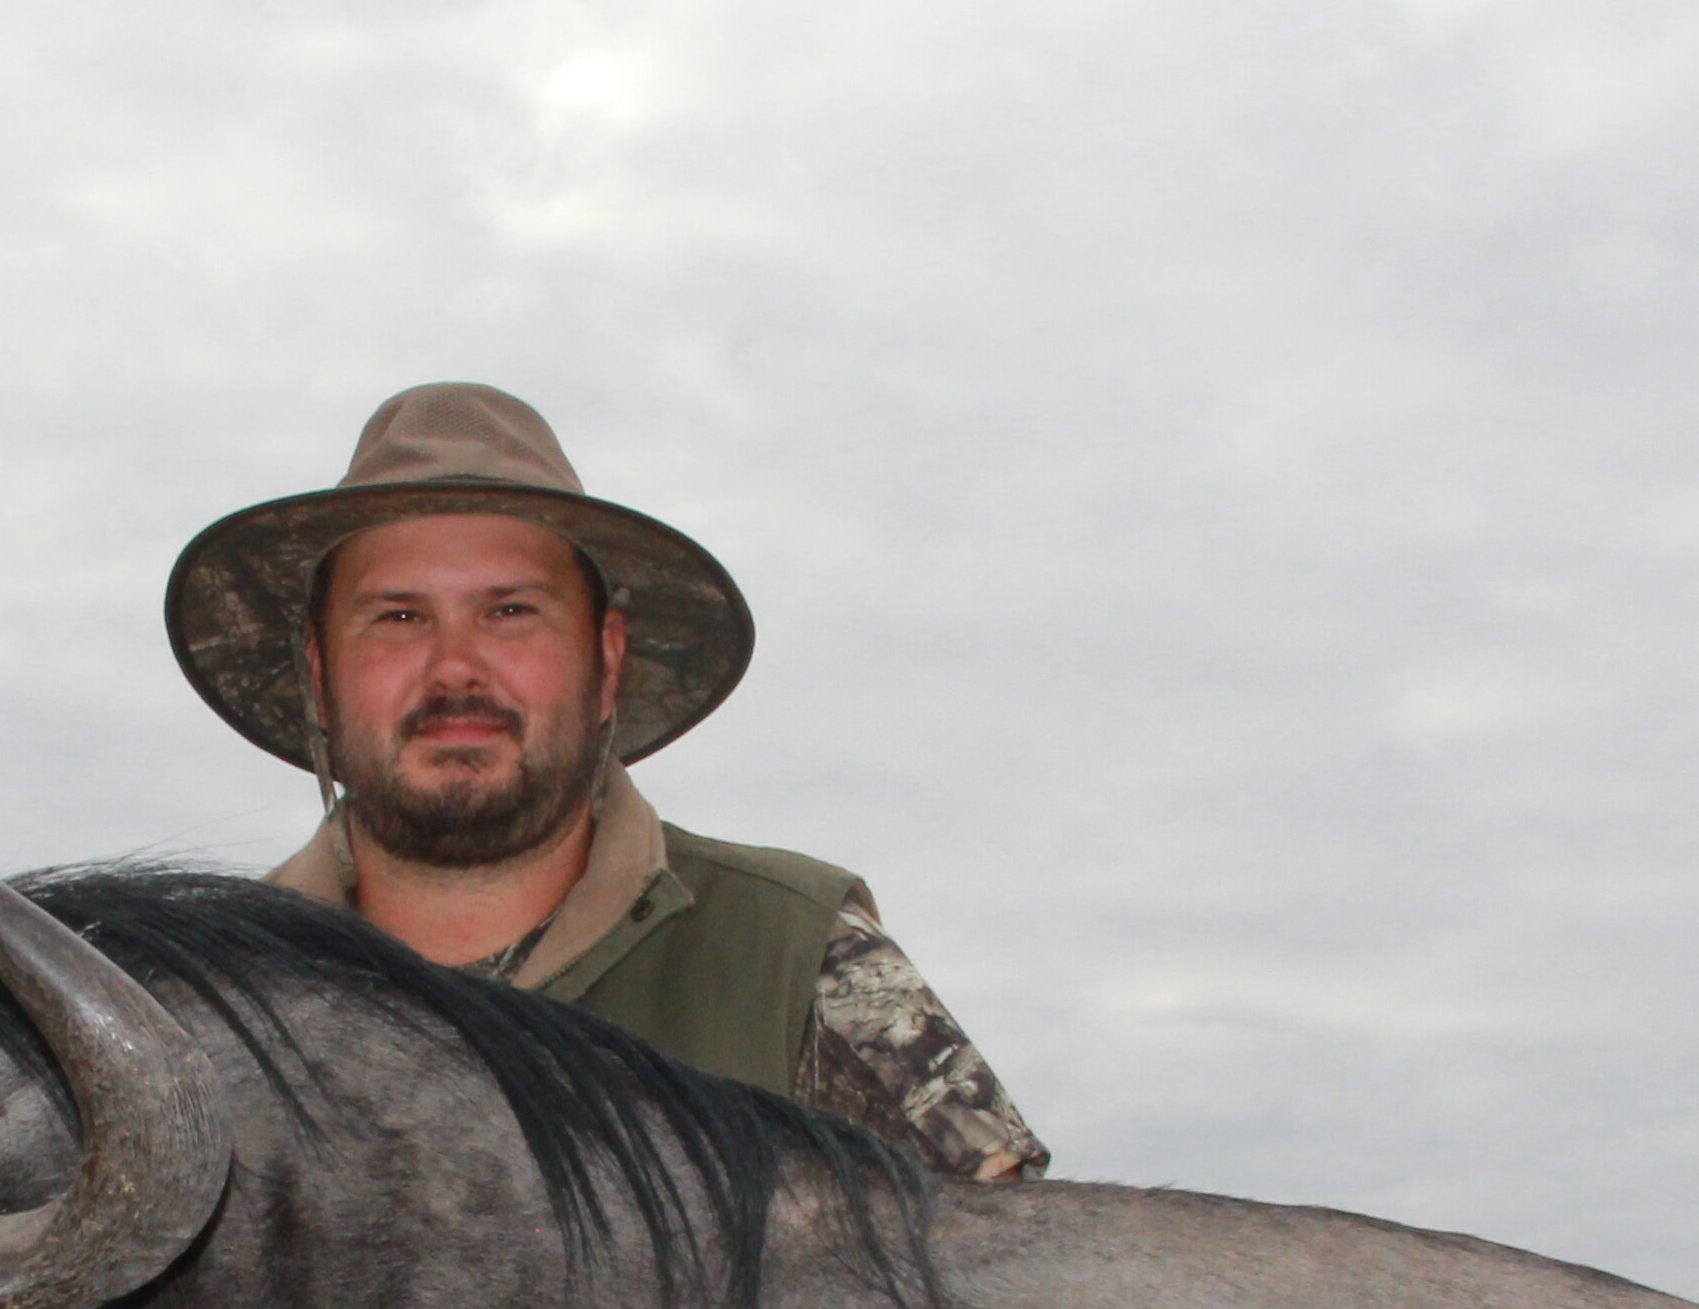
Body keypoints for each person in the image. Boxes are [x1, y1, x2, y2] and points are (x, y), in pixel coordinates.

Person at [164, 383, 1046, 1182]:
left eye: (511, 612)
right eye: (398, 617)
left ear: (607, 657)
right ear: (320, 671)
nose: (454, 668)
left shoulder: (793, 956)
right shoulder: (195, 1011)